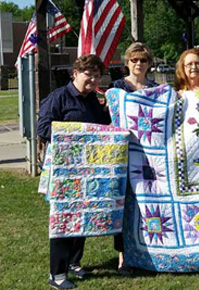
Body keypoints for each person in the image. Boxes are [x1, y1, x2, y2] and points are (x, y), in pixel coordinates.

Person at [38, 54, 111, 290]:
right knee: (63, 220)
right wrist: (76, 133)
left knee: (82, 216)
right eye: (88, 74)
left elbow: (103, 124)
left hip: (87, 170)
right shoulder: (59, 97)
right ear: (75, 74)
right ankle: (56, 273)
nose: (92, 79)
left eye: (97, 75)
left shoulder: (92, 100)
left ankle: (74, 263)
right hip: (64, 171)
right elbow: (44, 127)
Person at [108, 42, 158, 276]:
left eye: (143, 60)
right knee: (126, 203)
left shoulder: (156, 89)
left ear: (149, 63)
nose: (139, 64)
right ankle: (124, 255)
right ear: (127, 62)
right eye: (134, 60)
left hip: (150, 158)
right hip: (125, 154)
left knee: (149, 202)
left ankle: (151, 251)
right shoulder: (118, 88)